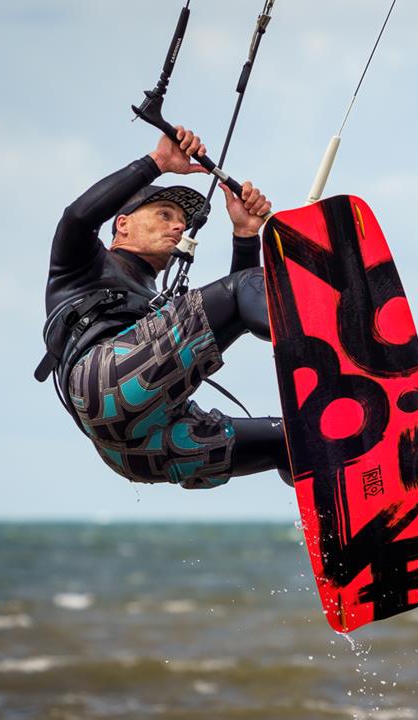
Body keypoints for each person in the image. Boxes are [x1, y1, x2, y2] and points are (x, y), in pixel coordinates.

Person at [37, 125, 292, 489]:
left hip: (136, 450)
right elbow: (76, 218)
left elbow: (232, 321)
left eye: (182, 222)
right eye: (164, 214)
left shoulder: (160, 312)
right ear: (122, 224)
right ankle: (316, 338)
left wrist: (246, 235)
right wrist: (157, 162)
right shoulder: (82, 264)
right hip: (102, 385)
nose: (178, 227)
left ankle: (350, 524)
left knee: (292, 440)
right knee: (240, 290)